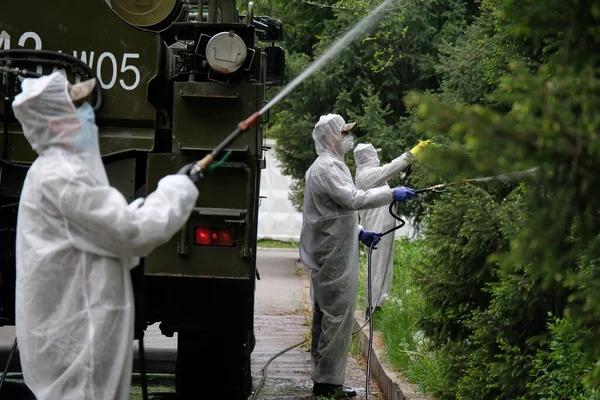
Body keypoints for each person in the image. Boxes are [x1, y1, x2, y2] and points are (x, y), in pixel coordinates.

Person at [12, 71, 200, 400]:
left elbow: (109, 227)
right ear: (56, 123)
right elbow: (130, 232)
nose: (88, 114)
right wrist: (176, 191)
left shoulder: (53, 171)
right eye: (78, 107)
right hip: (78, 343)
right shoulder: (64, 176)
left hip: (74, 336)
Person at [299, 114, 416, 398]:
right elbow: (353, 199)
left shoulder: (328, 166)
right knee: (337, 316)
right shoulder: (328, 167)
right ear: (329, 137)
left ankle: (325, 380)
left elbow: (335, 211)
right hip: (333, 253)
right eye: (343, 133)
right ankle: (329, 384)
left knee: (327, 315)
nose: (348, 139)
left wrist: (360, 230)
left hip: (334, 247)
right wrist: (390, 193)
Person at [353, 140, 429, 315]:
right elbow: (392, 168)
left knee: (383, 268)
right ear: (369, 157)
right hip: (376, 229)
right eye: (374, 156)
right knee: (377, 268)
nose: (377, 159)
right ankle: (373, 308)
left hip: (382, 227)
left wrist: (394, 192)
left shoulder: (370, 176)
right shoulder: (367, 175)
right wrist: (413, 152)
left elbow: (380, 194)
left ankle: (379, 305)